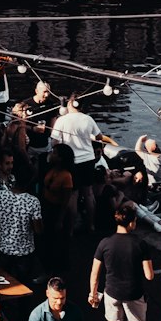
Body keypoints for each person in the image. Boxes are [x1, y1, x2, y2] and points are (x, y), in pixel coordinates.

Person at [89, 201, 154, 321]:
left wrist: (93, 293)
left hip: (112, 292)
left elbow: (95, 273)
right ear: (132, 222)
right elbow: (149, 275)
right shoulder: (140, 244)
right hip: (134, 293)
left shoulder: (105, 243)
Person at [52, 96, 107, 227]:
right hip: (88, 160)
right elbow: (99, 137)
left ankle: (70, 229)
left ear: (70, 103)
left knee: (73, 195)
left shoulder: (62, 120)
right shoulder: (88, 119)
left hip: (72, 161)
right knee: (88, 193)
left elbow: (54, 141)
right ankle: (91, 225)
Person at [0, 169, 42, 284]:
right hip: (25, 252)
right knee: (24, 286)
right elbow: (38, 229)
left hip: (3, 248)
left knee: (2, 285)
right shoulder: (33, 202)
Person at [42, 144, 77, 266]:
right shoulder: (51, 169)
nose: (52, 154)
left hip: (56, 210)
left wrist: (60, 220)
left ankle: (54, 268)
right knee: (46, 239)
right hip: (47, 206)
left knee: (55, 241)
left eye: (55, 153)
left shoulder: (66, 176)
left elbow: (65, 200)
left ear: (61, 158)